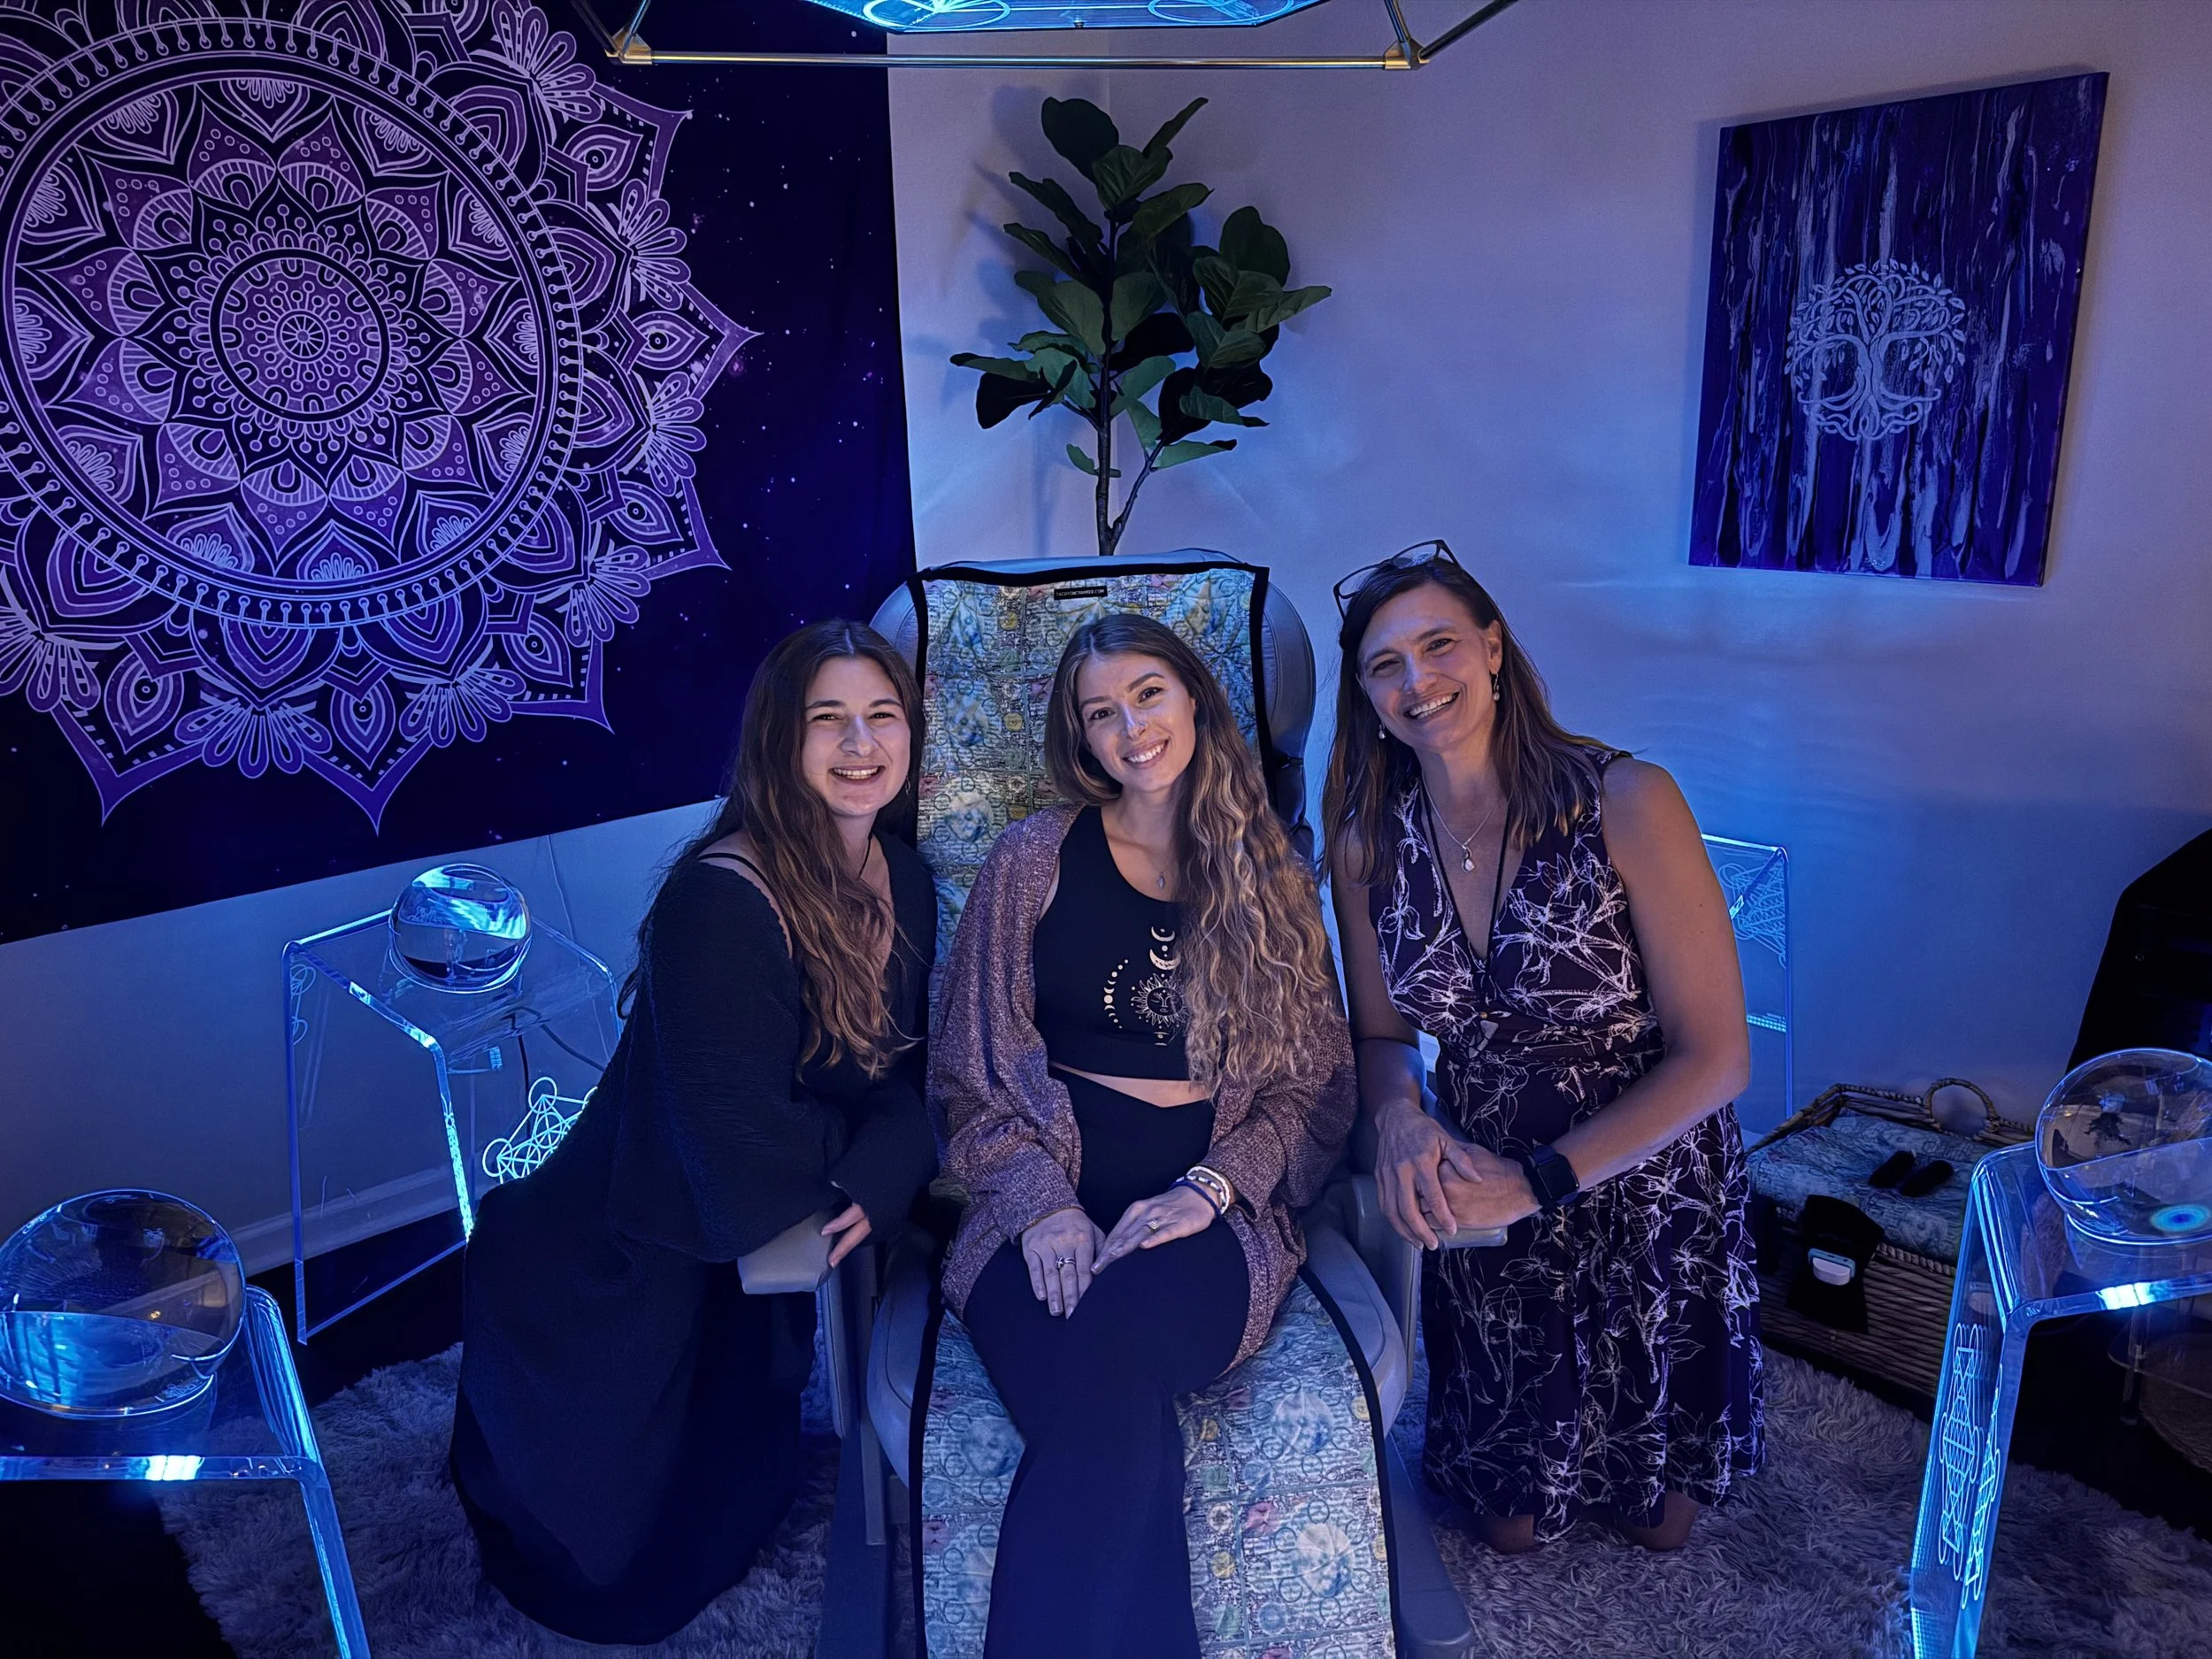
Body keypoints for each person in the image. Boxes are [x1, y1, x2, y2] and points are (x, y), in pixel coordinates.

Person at [450, 619, 938, 1643]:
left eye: (881, 716)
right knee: (625, 1570)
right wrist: (868, 1155)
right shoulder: (718, 901)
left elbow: (907, 1076)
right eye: (828, 720)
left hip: (749, 1220)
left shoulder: (907, 876)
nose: (861, 744)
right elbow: (740, 1147)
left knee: (743, 1491)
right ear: (779, 742)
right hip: (636, 1244)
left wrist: (880, 1170)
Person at [1324, 542, 1763, 1555]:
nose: (1416, 681)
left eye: (1437, 645)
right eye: (1384, 665)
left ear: (1490, 648)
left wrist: (1539, 1182)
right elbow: (1382, 1033)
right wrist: (1396, 1116)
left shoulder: (1625, 799)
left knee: (1657, 1528)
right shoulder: (1365, 837)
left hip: (1648, 1189)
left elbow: (1717, 1057)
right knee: (1510, 1530)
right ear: (1365, 693)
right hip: (1485, 1195)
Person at [932, 613, 1356, 1659]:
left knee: (1105, 1369)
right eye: (1101, 713)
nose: (1131, 728)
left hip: (1210, 1220)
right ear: (1080, 742)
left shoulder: (1276, 883)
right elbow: (966, 1072)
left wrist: (1211, 1190)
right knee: (1111, 1418)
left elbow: (1312, 1089)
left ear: (1195, 699)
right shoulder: (1032, 859)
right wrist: (1043, 1210)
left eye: (1148, 694)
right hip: (1033, 1201)